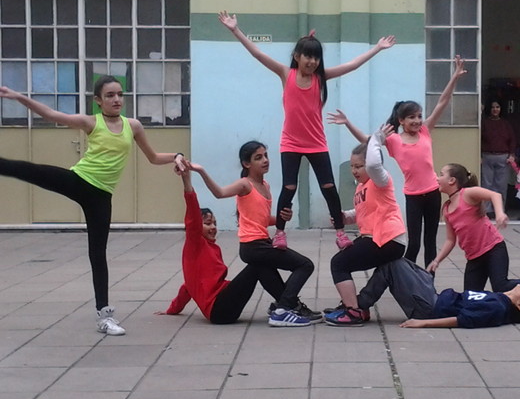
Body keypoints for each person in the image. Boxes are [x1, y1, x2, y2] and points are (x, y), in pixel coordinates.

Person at [0, 78, 186, 336]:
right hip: (79, 181)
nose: (116, 99)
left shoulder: (133, 126)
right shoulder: (91, 122)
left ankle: (104, 317)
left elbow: (153, 157)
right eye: (109, 95)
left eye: (119, 94)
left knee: (98, 254)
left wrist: (177, 155)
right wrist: (20, 97)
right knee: (31, 170)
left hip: (101, 196)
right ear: (98, 100)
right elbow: (52, 115)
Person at [218, 11, 395, 251]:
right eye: (308, 57)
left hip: (316, 143)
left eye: (316, 58)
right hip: (290, 143)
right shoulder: (285, 73)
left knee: (328, 187)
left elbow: (351, 65)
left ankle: (340, 232)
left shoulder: (320, 78)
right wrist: (235, 30)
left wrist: (377, 48)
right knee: (289, 187)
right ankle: (280, 233)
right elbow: (258, 53)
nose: (312, 62)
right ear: (297, 57)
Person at [327, 56, 467, 267]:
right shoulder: (393, 140)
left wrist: (454, 77)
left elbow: (442, 102)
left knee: (430, 241)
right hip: (413, 196)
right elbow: (366, 140)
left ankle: (428, 280)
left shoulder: (425, 131)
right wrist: (347, 123)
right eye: (412, 117)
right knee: (414, 244)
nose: (417, 121)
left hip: (432, 193)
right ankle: (407, 277)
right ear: (401, 121)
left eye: (419, 116)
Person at [188, 141, 321, 327]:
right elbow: (219, 193)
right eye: (258, 157)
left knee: (265, 271)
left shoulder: (265, 185)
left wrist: (282, 218)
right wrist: (201, 171)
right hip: (253, 245)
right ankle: (284, 308)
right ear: (246, 164)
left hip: (262, 243)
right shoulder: (245, 184)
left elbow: (262, 219)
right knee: (305, 265)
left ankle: (291, 306)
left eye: (265, 155)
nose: (265, 160)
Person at [156, 166, 301, 325]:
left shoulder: (213, 248)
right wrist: (186, 180)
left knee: (260, 263)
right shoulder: (194, 243)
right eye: (208, 223)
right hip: (218, 310)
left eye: (215, 223)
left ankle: (285, 305)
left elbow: (187, 288)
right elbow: (192, 215)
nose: (213, 227)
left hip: (226, 304)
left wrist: (172, 310)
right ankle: (286, 306)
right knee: (258, 264)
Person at [427, 163, 520, 303]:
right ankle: (493, 305)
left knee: (500, 286)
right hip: (474, 257)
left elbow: (495, 195)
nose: (437, 178)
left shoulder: (467, 194)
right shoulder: (447, 209)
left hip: (494, 248)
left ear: (452, 180)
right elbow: (450, 240)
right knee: (470, 299)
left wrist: (500, 214)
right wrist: (437, 260)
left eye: (441, 175)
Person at [324, 126, 406, 326]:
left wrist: (376, 140)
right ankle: (359, 306)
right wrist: (344, 217)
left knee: (339, 263)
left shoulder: (381, 180)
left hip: (387, 239)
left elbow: (374, 164)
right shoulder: (362, 186)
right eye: (352, 166)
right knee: (343, 262)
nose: (354, 170)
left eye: (359, 166)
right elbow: (361, 212)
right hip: (377, 239)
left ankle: (353, 311)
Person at [348, 258, 520, 329]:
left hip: (430, 307)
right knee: (398, 260)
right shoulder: (500, 300)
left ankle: (357, 307)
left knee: (392, 265)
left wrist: (422, 323)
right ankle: (358, 305)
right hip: (436, 296)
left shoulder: (497, 308)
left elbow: (461, 320)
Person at [481, 99, 516, 216]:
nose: (495, 109)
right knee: (487, 184)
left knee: (501, 185)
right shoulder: (484, 123)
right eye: (493, 107)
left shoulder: (506, 124)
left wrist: (511, 155)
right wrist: (479, 155)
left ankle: (499, 210)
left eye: (497, 107)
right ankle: (487, 210)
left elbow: (512, 140)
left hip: (503, 157)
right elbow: (478, 139)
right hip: (487, 156)